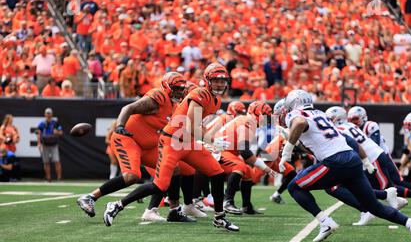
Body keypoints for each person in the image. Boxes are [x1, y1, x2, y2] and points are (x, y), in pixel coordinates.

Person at [279, 90, 411, 242]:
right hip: (351, 159)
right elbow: (316, 148)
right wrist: (296, 144)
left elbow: (300, 123)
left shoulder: (297, 115)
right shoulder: (321, 114)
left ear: (294, 103)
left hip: (335, 161)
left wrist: (287, 149)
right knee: (374, 207)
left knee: (294, 187)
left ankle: (325, 223)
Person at [103, 63, 239, 232]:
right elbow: (190, 125)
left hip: (188, 143)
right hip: (172, 142)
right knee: (160, 185)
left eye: (223, 80)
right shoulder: (200, 94)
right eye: (216, 80)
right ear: (207, 80)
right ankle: (116, 205)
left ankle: (219, 217)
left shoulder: (216, 101)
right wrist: (211, 141)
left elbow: (198, 125)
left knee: (216, 173)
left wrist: (207, 141)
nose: (220, 84)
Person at [77, 72, 203, 221]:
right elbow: (128, 108)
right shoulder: (159, 97)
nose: (179, 92)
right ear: (166, 87)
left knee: (174, 168)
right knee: (132, 176)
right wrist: (120, 126)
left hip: (148, 147)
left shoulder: (175, 107)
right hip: (129, 140)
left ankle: (174, 210)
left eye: (181, 89)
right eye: (176, 88)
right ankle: (90, 197)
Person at [215, 101, 276, 215]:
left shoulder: (247, 121)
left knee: (248, 172)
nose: (266, 120)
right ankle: (227, 202)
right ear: (256, 114)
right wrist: (266, 168)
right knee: (240, 166)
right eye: (265, 116)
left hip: (226, 150)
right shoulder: (247, 122)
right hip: (218, 149)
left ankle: (246, 206)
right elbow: (245, 152)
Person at [36, 108, 63, 182]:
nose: (48, 115)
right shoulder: (42, 123)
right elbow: (38, 133)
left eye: (49, 113)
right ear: (45, 114)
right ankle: (48, 178)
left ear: (52, 114)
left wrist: (56, 132)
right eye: (47, 113)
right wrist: (38, 143)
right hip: (45, 144)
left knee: (57, 161)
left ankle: (59, 178)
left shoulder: (55, 123)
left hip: (54, 144)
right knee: (46, 162)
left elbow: (61, 133)